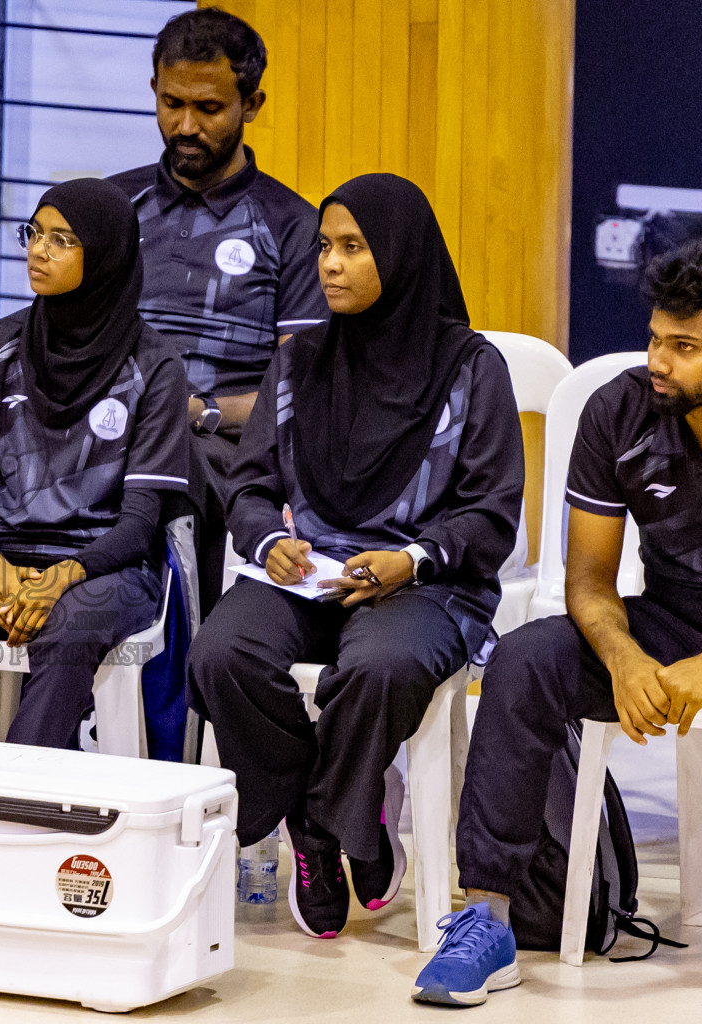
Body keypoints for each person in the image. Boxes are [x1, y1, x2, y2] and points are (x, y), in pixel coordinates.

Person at [414, 237, 702, 1007]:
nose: (658, 362)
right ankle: (488, 918)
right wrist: (624, 658)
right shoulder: (622, 411)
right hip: (671, 621)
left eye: (683, 346)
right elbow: (588, 581)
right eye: (653, 339)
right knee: (524, 659)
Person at [188, 173, 523, 941]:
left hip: (425, 581)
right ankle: (338, 817)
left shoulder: (471, 369)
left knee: (378, 668)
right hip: (310, 571)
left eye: (352, 247)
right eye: (325, 247)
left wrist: (411, 559)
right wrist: (272, 543)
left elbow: (490, 514)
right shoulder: (301, 360)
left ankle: (324, 821)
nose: (329, 265)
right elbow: (249, 484)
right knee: (222, 653)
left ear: (401, 257)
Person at [0, 177, 189, 747]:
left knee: (71, 629)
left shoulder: (156, 367)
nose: (37, 250)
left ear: (104, 255)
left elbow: (138, 525)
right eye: (34, 233)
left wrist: (63, 577)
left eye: (62, 240)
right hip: (1, 552)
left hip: (107, 566)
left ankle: (20, 804)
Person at [109, 6, 329, 617]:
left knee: (171, 455)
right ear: (153, 90)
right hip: (104, 426)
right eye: (171, 103)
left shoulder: (293, 226)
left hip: (223, 448)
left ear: (252, 104)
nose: (185, 125)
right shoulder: (111, 206)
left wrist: (197, 412)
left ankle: (174, 678)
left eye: (208, 109)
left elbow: (299, 393)